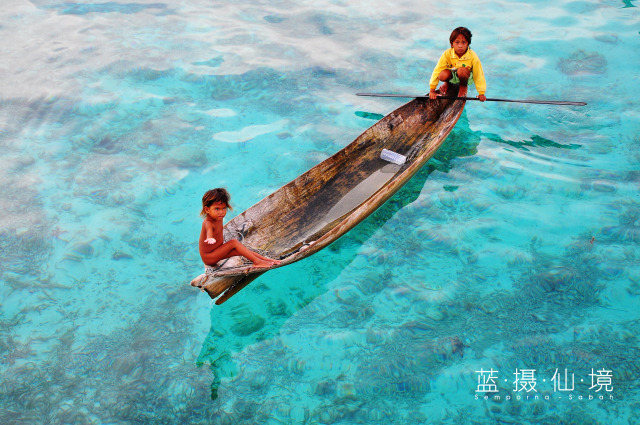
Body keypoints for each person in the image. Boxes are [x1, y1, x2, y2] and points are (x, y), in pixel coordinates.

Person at [199, 188, 281, 270]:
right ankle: (257, 262)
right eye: (217, 209)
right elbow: (209, 229)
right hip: (209, 257)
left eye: (224, 208)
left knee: (238, 250)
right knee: (233, 242)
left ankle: (266, 259)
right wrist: (210, 238)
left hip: (217, 251)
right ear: (207, 209)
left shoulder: (218, 217)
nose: (221, 212)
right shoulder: (208, 222)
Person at [428, 27, 487, 101]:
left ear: (468, 43)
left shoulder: (472, 56)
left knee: (462, 71)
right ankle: (448, 83)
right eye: (457, 42)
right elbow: (437, 70)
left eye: (464, 42)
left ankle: (463, 85)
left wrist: (481, 93)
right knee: (442, 74)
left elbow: (478, 74)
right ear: (451, 44)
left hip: (465, 76)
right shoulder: (447, 54)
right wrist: (432, 90)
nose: (460, 46)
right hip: (452, 75)